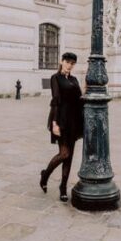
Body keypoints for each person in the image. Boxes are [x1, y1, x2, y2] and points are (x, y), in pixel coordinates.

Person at [40, 52, 83, 202]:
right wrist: (54, 123)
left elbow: (79, 99)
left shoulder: (74, 79)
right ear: (62, 61)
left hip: (74, 121)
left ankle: (63, 187)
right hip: (61, 119)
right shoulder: (55, 78)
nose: (70, 65)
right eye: (68, 62)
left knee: (69, 157)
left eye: (72, 63)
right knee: (64, 153)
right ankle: (45, 175)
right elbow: (56, 101)